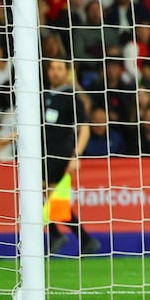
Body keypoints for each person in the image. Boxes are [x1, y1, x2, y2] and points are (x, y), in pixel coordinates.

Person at [42, 58, 101, 255]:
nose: (55, 72)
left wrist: (76, 155)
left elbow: (84, 129)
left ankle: (59, 235)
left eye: (60, 68)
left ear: (67, 73)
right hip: (42, 155)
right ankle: (83, 239)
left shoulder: (71, 97)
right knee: (51, 199)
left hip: (60, 154)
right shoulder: (42, 95)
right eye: (52, 68)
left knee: (44, 195)